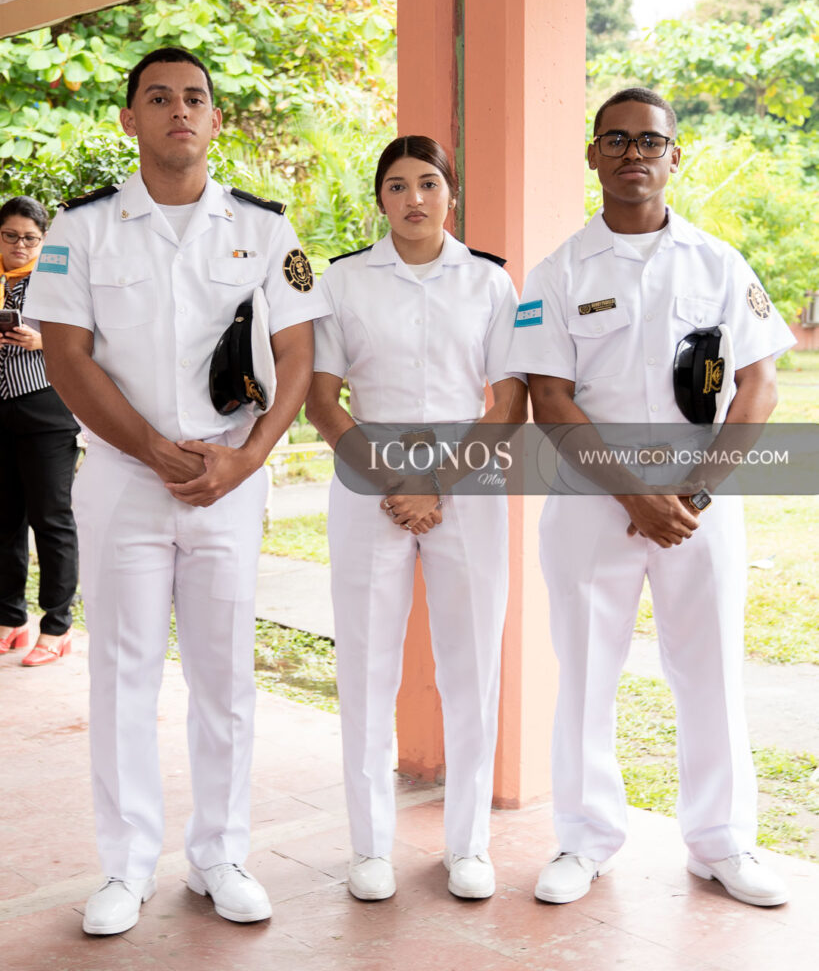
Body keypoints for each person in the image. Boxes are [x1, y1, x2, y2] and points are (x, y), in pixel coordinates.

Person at [24, 47, 329, 935]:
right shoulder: (82, 230)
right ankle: (124, 868)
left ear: (216, 119)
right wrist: (154, 448)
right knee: (122, 674)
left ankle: (220, 855)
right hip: (124, 482)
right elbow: (68, 357)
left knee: (225, 675)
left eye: (195, 97)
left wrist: (249, 460)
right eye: (157, 98)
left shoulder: (266, 229)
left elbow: (301, 355)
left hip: (228, 483)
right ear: (130, 120)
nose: (179, 111)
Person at [507, 88, 795, 908]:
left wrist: (692, 495)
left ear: (676, 154)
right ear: (592, 154)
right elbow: (550, 400)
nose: (634, 153)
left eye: (650, 140)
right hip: (593, 502)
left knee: (707, 672)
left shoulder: (719, 263)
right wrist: (635, 497)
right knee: (587, 671)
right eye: (616, 140)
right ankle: (583, 839)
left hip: (700, 503)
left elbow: (758, 387)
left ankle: (720, 843)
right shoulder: (558, 272)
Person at [306, 135, 527, 902]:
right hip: (370, 478)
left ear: (449, 194)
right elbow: (320, 397)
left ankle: (467, 844)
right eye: (396, 186)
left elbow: (508, 403)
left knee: (469, 661)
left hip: (467, 477)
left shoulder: (490, 283)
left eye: (428, 183)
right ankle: (369, 848)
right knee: (366, 664)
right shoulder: (343, 283)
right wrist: (392, 480)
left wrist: (432, 483)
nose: (413, 199)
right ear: (380, 200)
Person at [0, 196, 79, 665]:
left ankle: (57, 625)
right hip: (0, 412)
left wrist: (42, 340)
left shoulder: (56, 281)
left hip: (47, 410)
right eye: (10, 235)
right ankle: (11, 618)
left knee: (51, 519)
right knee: (4, 520)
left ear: (43, 240)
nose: (19, 245)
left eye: (29, 238)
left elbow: (91, 339)